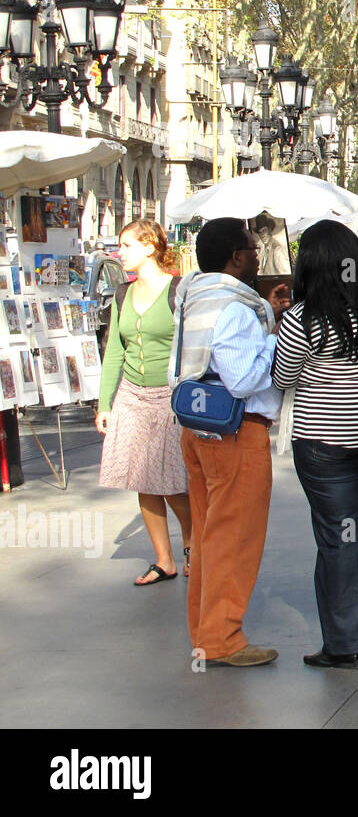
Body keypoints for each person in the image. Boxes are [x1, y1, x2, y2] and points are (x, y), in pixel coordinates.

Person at [271, 221, 358, 669]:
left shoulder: (302, 318)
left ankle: (346, 641)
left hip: (327, 439)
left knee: (338, 535)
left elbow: (282, 378)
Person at [172, 218, 290, 667]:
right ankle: (222, 639)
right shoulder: (238, 308)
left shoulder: (194, 297)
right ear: (236, 257)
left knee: (207, 535)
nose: (258, 255)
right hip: (236, 431)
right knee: (234, 539)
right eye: (252, 248)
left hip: (197, 429)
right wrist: (276, 337)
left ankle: (206, 632)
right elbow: (242, 379)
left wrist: (266, 316)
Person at [96, 220, 190, 586]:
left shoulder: (178, 290)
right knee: (143, 480)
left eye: (127, 245)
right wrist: (105, 403)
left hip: (169, 396)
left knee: (174, 483)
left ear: (150, 247)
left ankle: (192, 549)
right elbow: (114, 353)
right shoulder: (122, 293)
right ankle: (163, 560)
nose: (121, 252)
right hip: (131, 396)